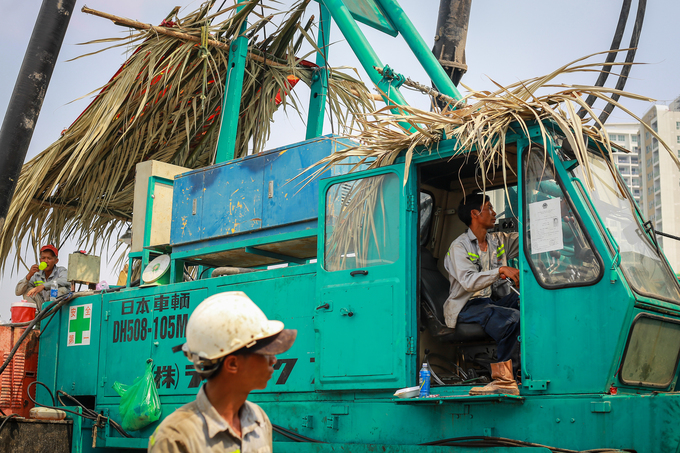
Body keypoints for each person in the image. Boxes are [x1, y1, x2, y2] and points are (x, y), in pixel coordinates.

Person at [149, 291, 297, 453]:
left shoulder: (259, 420)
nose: (274, 360)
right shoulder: (176, 436)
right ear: (232, 364)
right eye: (265, 352)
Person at [443, 194, 520, 395]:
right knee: (511, 319)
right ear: (475, 213)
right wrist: (501, 270)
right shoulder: (459, 247)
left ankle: (523, 370)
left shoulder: (497, 241)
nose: (494, 213)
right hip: (467, 305)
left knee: (528, 303)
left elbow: (527, 241)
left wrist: (556, 220)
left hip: (490, 300)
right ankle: (503, 380)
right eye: (489, 208)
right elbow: (468, 282)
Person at [15, 244, 69, 310]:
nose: (46, 261)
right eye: (43, 258)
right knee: (28, 291)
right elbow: (18, 292)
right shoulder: (36, 274)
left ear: (56, 261)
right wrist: (29, 275)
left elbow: (66, 280)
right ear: (40, 260)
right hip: (42, 310)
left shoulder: (61, 270)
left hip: (57, 308)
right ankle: (36, 316)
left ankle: (56, 314)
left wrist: (43, 286)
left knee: (62, 289)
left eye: (49, 258)